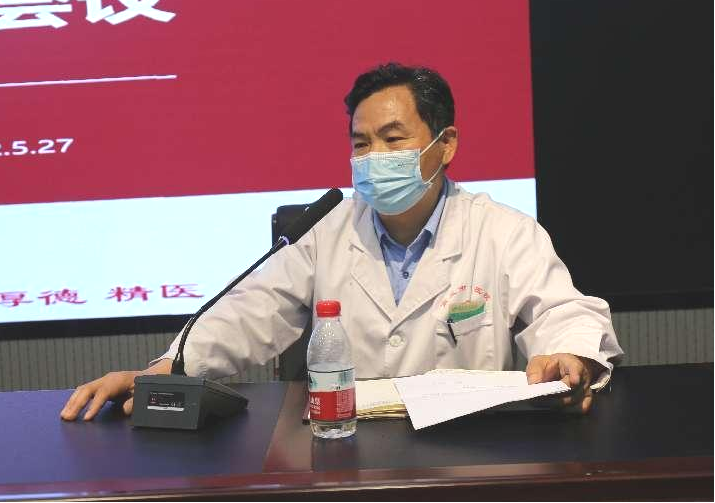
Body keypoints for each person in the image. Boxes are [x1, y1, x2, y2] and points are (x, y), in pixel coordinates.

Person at [61, 63, 623, 422]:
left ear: (446, 143)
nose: (373, 157)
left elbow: (563, 310)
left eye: (393, 139)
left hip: (468, 451)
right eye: (360, 143)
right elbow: (250, 312)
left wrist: (568, 353)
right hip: (347, 446)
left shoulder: (502, 229)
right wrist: (169, 369)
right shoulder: (324, 230)